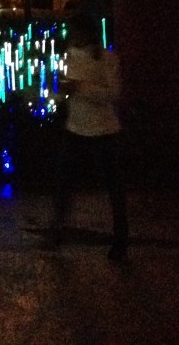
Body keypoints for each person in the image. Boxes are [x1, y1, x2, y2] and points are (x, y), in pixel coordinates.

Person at [48, 13, 128, 261]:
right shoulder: (70, 55)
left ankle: (121, 239)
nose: (73, 36)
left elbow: (113, 93)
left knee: (113, 186)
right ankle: (57, 230)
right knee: (63, 182)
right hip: (75, 127)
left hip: (102, 130)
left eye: (76, 31)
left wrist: (80, 88)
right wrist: (57, 95)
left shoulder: (105, 58)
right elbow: (67, 90)